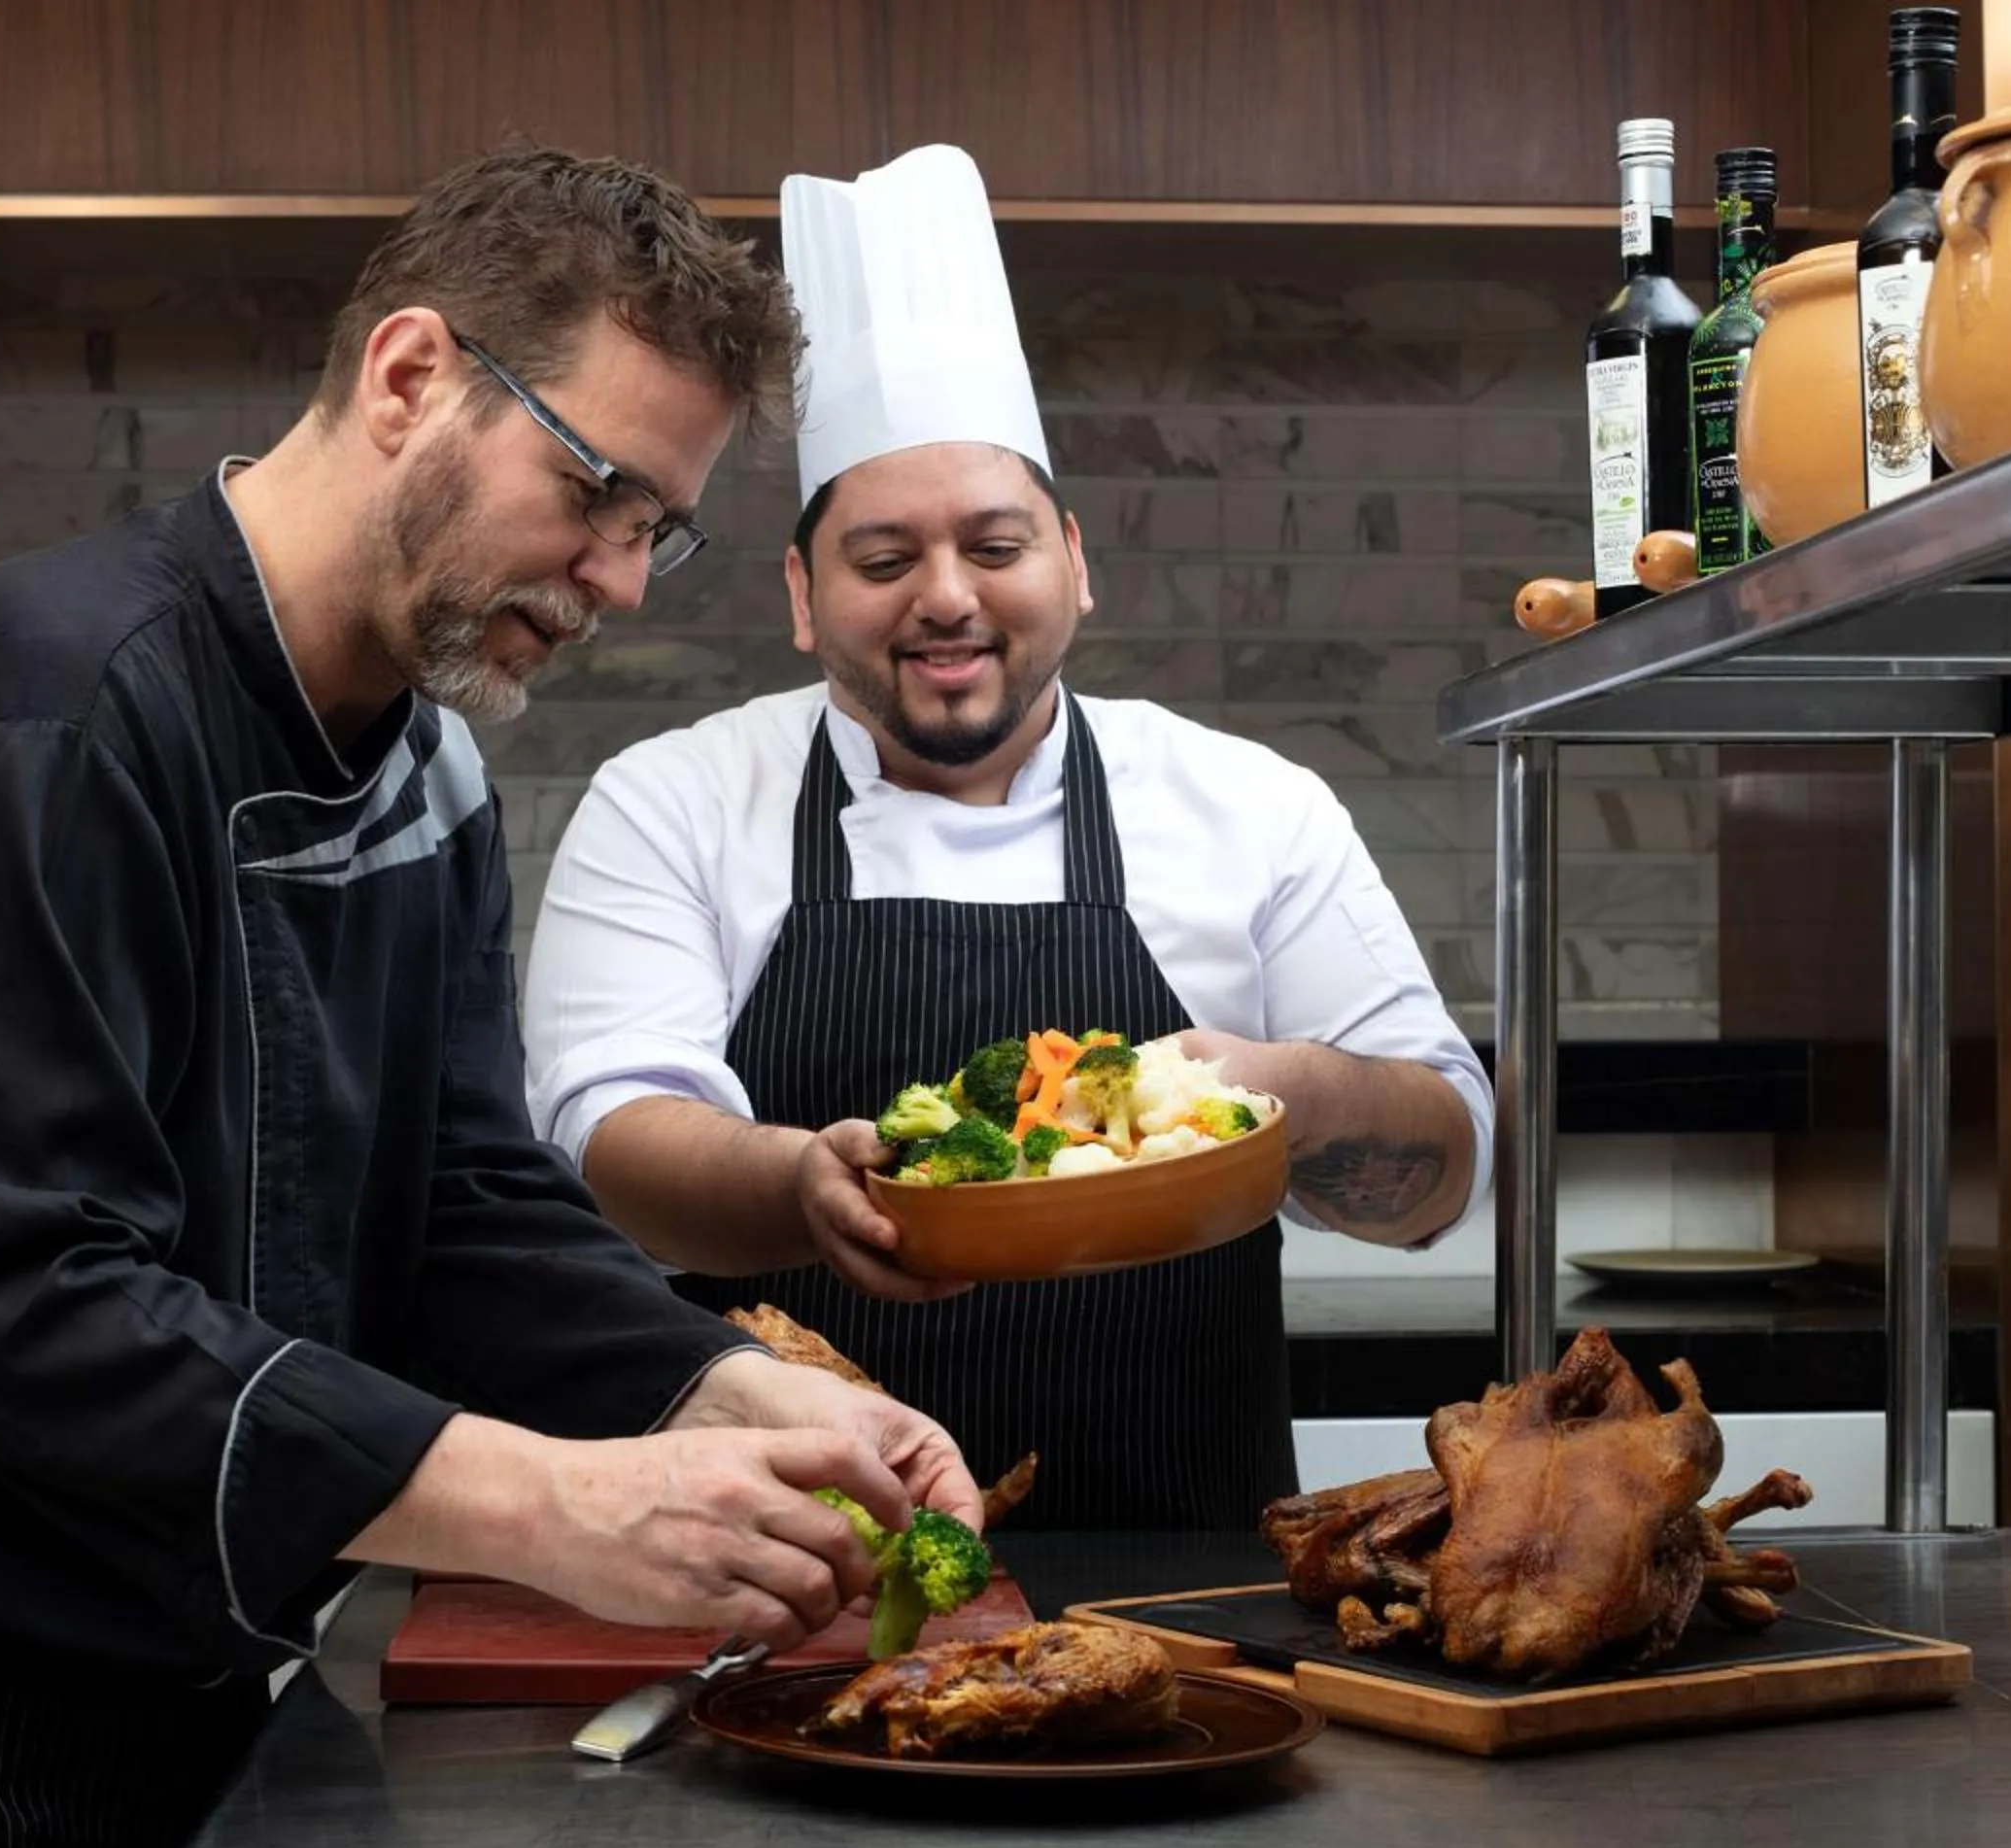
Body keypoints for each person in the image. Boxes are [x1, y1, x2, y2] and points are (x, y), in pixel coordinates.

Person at [0, 147, 978, 1848]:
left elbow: (463, 1206)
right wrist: (553, 1505)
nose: (622, 581)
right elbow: (32, 1308)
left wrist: (721, 1387)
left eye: (660, 529)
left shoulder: (427, 767)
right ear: (411, 378)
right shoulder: (49, 720)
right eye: (596, 491)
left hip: (168, 1700)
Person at [522, 145, 1489, 1533]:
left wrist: (1287, 1096)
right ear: (801, 593)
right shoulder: (672, 801)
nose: (946, 598)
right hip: (795, 1563)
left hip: (1191, 1577)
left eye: (995, 547)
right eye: (882, 560)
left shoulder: (1249, 805)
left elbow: (1440, 1179)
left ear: (1074, 563)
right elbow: (612, 1144)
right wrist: (804, 1189)